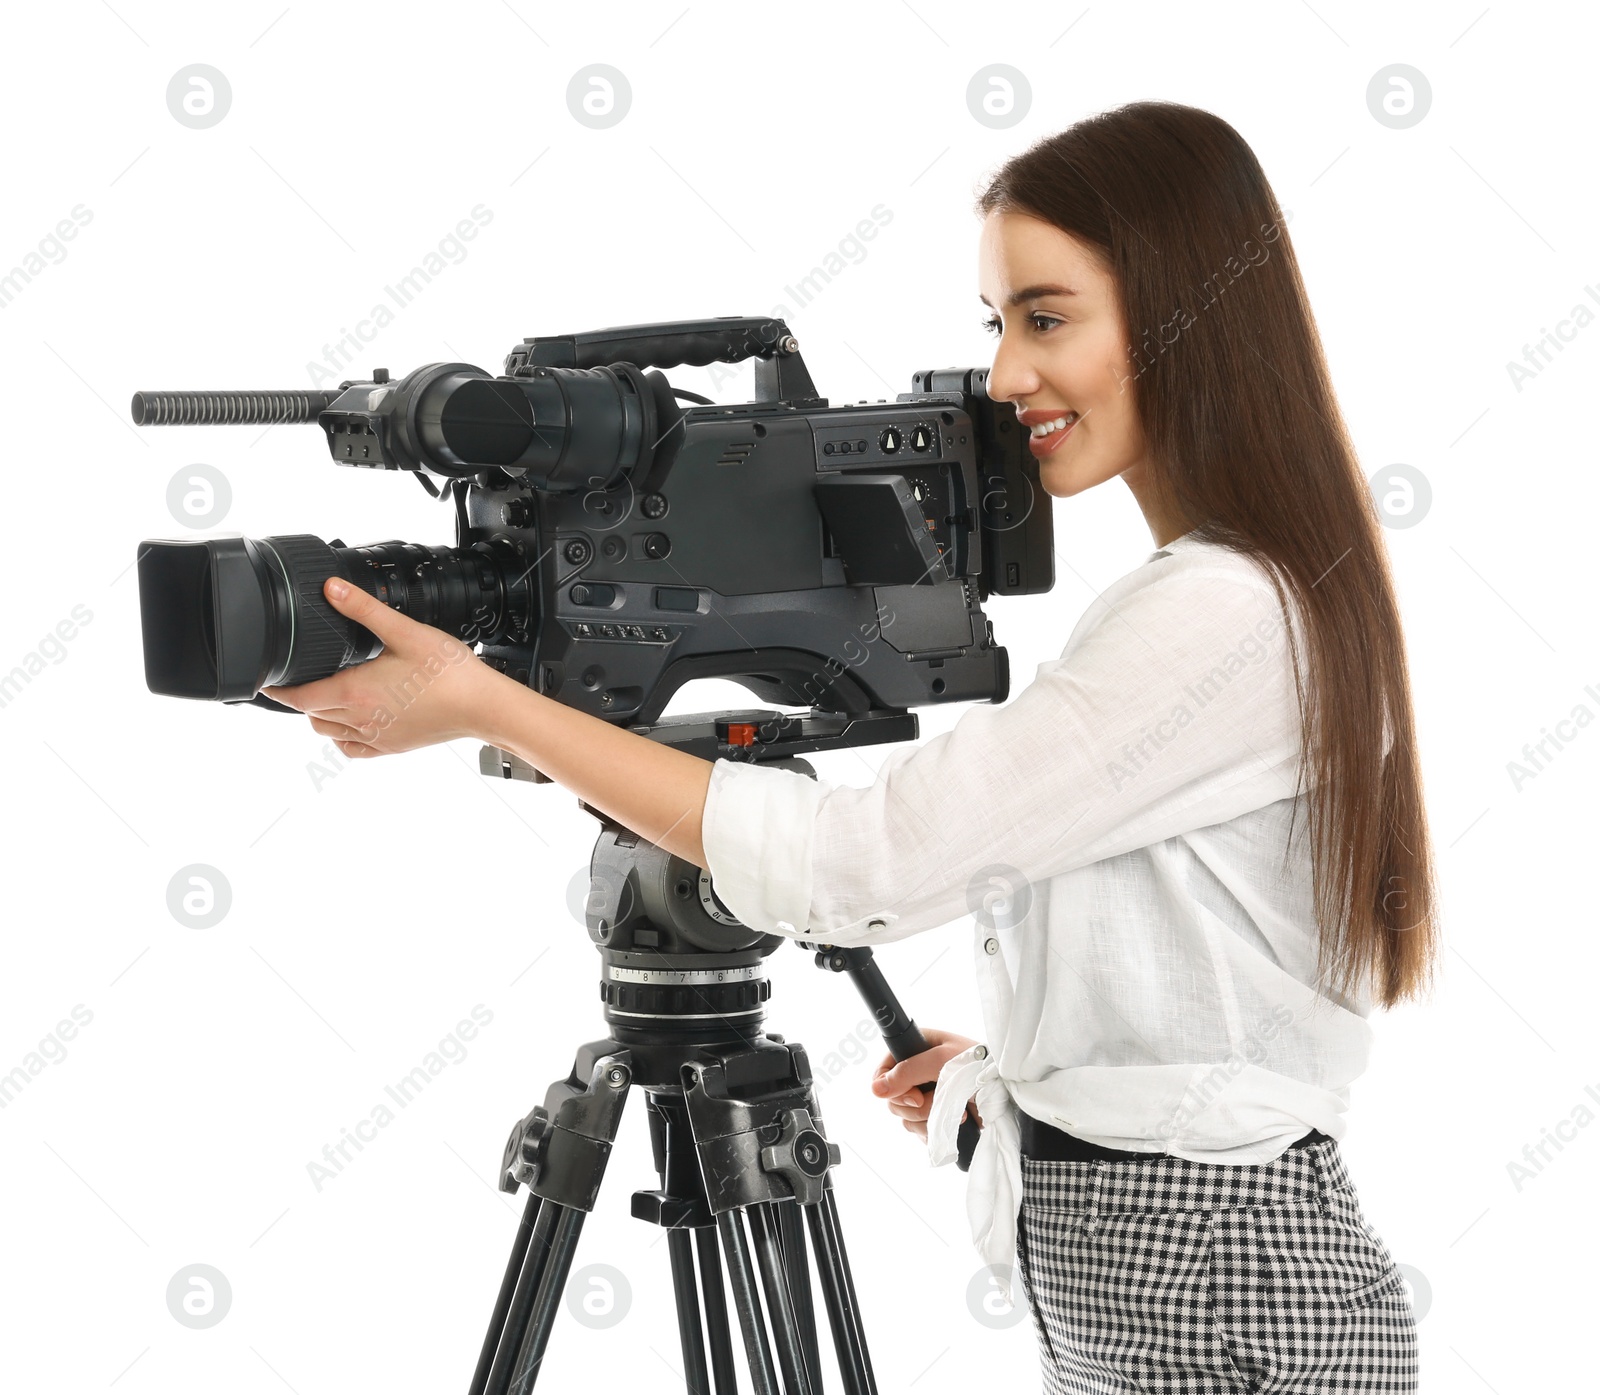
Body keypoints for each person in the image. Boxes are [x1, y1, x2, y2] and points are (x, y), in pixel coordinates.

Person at [263, 99, 1437, 1394]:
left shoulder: (1220, 612)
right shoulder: (1236, 591)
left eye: (1047, 319)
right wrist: (1016, 1092)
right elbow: (1211, 974)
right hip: (1199, 1280)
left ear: (1183, 316)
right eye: (998, 326)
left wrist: (483, 701)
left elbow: (860, 869)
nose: (1000, 380)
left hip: (1224, 1297)